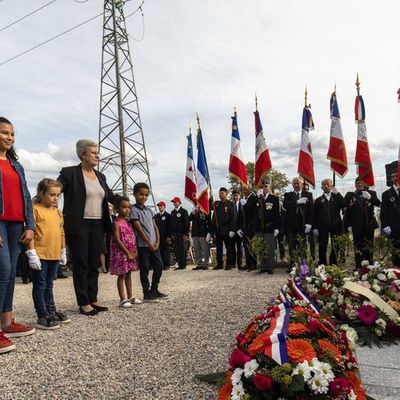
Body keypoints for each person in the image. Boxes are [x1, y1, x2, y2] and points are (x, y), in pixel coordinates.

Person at [57, 139, 115, 316]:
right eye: (93, 153)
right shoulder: (69, 173)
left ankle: (93, 298)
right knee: (81, 263)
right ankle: (83, 302)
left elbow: (110, 195)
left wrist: (127, 203)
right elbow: (55, 189)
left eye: (97, 153)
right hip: (79, 224)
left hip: (98, 224)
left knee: (93, 263)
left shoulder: (100, 176)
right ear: (82, 155)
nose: (97, 156)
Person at [0, 117, 35, 354]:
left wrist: (30, 225)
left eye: (12, 134)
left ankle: (6, 322)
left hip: (16, 224)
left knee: (12, 271)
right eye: (4, 133)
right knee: (2, 269)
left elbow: (26, 195)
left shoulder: (16, 165)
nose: (10, 138)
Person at [26, 178, 71, 330]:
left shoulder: (58, 212)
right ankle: (42, 315)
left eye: (58, 195)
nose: (55, 198)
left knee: (49, 284)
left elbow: (61, 232)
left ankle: (51, 310)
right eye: (52, 195)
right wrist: (31, 252)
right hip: (40, 254)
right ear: (41, 193)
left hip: (54, 254)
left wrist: (62, 250)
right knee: (40, 284)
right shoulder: (35, 209)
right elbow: (30, 232)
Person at [130, 182, 167, 301]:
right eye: (141, 194)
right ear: (135, 194)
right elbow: (139, 229)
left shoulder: (149, 210)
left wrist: (157, 242)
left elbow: (154, 226)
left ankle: (154, 289)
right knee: (145, 269)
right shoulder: (134, 210)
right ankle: (146, 293)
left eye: (146, 195)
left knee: (159, 266)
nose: (144, 197)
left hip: (154, 245)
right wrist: (149, 243)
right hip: (143, 246)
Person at [110, 195, 141, 308]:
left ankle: (130, 296)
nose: (127, 209)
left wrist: (135, 251)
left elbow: (133, 237)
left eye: (129, 207)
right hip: (122, 253)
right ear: (117, 208)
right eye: (124, 207)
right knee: (122, 275)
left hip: (131, 253)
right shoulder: (116, 223)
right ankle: (122, 299)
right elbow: (117, 239)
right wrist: (127, 253)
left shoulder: (129, 223)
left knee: (128, 274)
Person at [344, 177, 381, 269]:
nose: (359, 184)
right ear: (355, 185)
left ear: (365, 184)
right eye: (357, 183)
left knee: (369, 246)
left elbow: (378, 203)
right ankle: (358, 266)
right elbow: (346, 211)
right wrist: (348, 225)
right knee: (358, 246)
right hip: (356, 225)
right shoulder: (350, 195)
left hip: (369, 224)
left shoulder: (371, 193)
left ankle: (369, 266)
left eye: (361, 183)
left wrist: (369, 197)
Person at [248, 178, 280, 274]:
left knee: (270, 247)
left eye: (266, 186)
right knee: (261, 247)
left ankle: (270, 266)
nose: (264, 188)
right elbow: (251, 210)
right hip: (259, 227)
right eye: (262, 186)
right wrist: (256, 199)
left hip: (269, 226)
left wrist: (277, 227)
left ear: (269, 186)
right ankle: (263, 266)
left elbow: (276, 214)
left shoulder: (274, 198)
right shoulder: (258, 198)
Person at [313, 178, 345, 266]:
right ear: (321, 187)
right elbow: (314, 215)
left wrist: (338, 193)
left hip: (335, 225)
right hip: (322, 226)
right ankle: (322, 263)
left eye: (328, 184)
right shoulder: (318, 200)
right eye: (324, 184)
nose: (326, 186)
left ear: (331, 186)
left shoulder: (337, 197)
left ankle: (333, 262)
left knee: (335, 245)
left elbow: (344, 204)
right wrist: (315, 227)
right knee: (323, 245)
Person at [283, 177, 314, 263]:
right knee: (291, 246)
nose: (296, 185)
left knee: (302, 246)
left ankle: (304, 265)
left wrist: (310, 224)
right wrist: (297, 202)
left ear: (302, 184)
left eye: (298, 183)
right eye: (294, 183)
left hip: (302, 225)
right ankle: (293, 265)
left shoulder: (308, 195)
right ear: (292, 185)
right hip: (291, 226)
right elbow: (286, 205)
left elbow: (311, 211)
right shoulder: (288, 195)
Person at [211, 187, 236, 270]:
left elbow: (233, 218)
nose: (220, 194)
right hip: (218, 229)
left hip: (227, 228)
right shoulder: (217, 204)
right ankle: (219, 264)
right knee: (219, 247)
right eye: (219, 193)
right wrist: (212, 231)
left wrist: (232, 230)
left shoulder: (230, 203)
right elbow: (214, 218)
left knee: (229, 247)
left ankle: (230, 263)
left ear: (226, 194)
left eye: (222, 193)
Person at [380, 166, 400, 266]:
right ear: (391, 179)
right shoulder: (386, 194)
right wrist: (385, 226)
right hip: (394, 229)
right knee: (395, 253)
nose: (395, 178)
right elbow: (383, 212)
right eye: (393, 176)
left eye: (397, 175)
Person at [168, 197, 190, 270]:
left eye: (175, 202)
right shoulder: (172, 212)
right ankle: (180, 264)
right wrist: (171, 235)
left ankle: (183, 265)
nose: (174, 203)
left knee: (183, 249)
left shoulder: (184, 211)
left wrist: (186, 234)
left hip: (182, 234)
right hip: (175, 234)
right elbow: (171, 224)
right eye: (173, 202)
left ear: (179, 202)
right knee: (177, 249)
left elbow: (187, 223)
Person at [239, 187, 257, 271]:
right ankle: (248, 263)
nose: (245, 191)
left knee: (252, 246)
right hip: (243, 226)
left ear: (250, 190)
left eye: (246, 190)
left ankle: (253, 264)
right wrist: (238, 227)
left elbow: (253, 211)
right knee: (246, 246)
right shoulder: (242, 199)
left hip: (251, 226)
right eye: (244, 190)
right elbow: (240, 214)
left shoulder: (254, 198)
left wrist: (245, 204)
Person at [189, 205, 211, 270]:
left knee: (204, 249)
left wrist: (209, 232)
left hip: (203, 233)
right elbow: (189, 219)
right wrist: (192, 213)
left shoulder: (205, 209)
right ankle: (199, 264)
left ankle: (206, 264)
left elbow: (209, 221)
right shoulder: (194, 211)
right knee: (196, 249)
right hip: (195, 232)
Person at [154, 201, 171, 270]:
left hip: (165, 236)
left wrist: (169, 236)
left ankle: (167, 264)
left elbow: (170, 226)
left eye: (161, 206)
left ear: (164, 207)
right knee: (160, 250)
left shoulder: (168, 216)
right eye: (158, 206)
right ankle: (162, 264)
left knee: (166, 251)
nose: (159, 207)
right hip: (158, 236)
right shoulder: (156, 216)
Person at [231, 190, 243, 268]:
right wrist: (231, 229)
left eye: (236, 195)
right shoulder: (230, 205)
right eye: (234, 195)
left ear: (239, 195)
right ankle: (232, 264)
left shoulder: (242, 204)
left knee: (240, 248)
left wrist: (241, 228)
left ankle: (240, 263)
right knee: (232, 248)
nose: (235, 197)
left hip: (240, 230)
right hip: (232, 230)